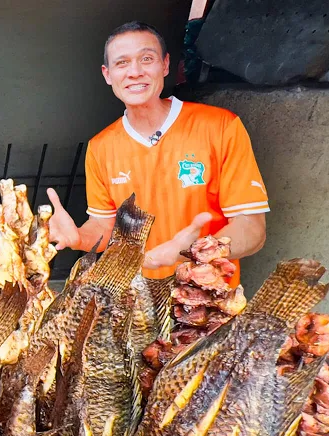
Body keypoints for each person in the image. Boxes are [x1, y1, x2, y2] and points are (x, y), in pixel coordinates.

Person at [47, 21, 268, 284]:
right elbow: (104, 228)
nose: (135, 72)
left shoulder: (220, 127)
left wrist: (191, 252)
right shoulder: (101, 147)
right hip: (137, 304)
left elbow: (252, 228)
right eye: (122, 63)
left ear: (165, 65)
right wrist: (80, 238)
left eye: (146, 59)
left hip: (204, 302)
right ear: (107, 75)